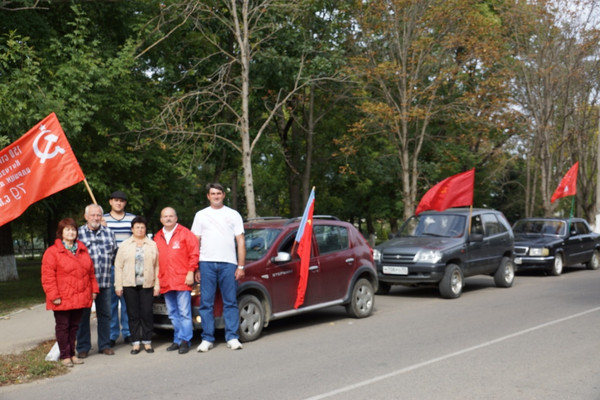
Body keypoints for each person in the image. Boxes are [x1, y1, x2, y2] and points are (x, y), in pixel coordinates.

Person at [191, 183, 246, 352]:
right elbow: (195, 242)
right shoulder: (201, 215)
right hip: (206, 263)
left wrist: (241, 266)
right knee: (206, 303)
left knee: (230, 301)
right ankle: (207, 338)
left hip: (228, 263)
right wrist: (196, 268)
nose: (216, 196)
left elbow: (240, 241)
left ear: (223, 195)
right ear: (208, 196)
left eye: (219, 193)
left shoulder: (233, 214)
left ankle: (232, 337)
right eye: (212, 193)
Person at [41, 218, 99, 367]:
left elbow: (90, 273)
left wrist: (94, 290)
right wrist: (53, 296)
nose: (71, 232)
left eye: (73, 229)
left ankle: (72, 354)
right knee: (63, 326)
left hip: (80, 296)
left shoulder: (82, 250)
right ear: (61, 233)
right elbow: (48, 276)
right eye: (67, 230)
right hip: (62, 297)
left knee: (74, 327)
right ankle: (65, 355)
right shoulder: (53, 252)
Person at [154, 207, 199, 354]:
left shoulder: (185, 234)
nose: (168, 218)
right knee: (172, 312)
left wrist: (191, 271)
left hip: (182, 279)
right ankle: (177, 339)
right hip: (166, 280)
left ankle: (185, 340)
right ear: (161, 219)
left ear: (176, 218)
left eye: (171, 216)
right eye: (165, 216)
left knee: (184, 312)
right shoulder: (157, 237)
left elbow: (194, 253)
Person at [76, 204, 118, 357]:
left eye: (98, 215)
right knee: (83, 316)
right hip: (85, 284)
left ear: (102, 217)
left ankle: (105, 345)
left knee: (105, 315)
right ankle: (83, 347)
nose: (95, 218)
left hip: (105, 282)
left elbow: (114, 256)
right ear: (86, 216)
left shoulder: (109, 233)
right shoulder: (78, 234)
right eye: (92, 215)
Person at [114, 216, 160, 355]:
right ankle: (135, 343)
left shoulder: (152, 244)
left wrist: (157, 285)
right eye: (137, 227)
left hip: (147, 284)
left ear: (145, 229)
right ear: (132, 229)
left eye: (142, 227)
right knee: (133, 314)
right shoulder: (125, 245)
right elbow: (118, 265)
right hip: (129, 284)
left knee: (146, 313)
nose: (140, 230)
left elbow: (157, 266)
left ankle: (147, 341)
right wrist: (118, 285)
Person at [104, 190, 135, 346]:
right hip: (109, 266)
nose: (118, 203)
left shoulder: (131, 219)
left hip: (127, 267)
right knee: (111, 302)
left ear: (125, 203)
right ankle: (112, 334)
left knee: (128, 301)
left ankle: (128, 332)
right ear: (110, 202)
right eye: (115, 200)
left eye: (122, 201)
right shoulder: (102, 219)